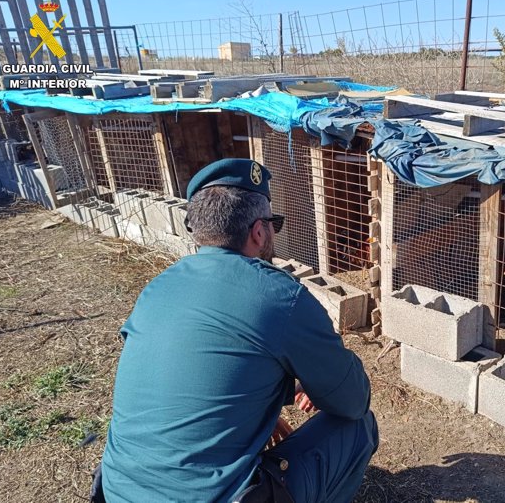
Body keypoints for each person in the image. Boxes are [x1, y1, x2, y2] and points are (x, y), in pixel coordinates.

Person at [99, 158, 378, 503]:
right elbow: (352, 400)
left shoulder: (157, 288)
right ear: (259, 231)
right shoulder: (280, 296)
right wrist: (317, 383)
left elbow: (191, 376)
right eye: (275, 224)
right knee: (359, 425)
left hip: (117, 491)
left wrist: (258, 414)